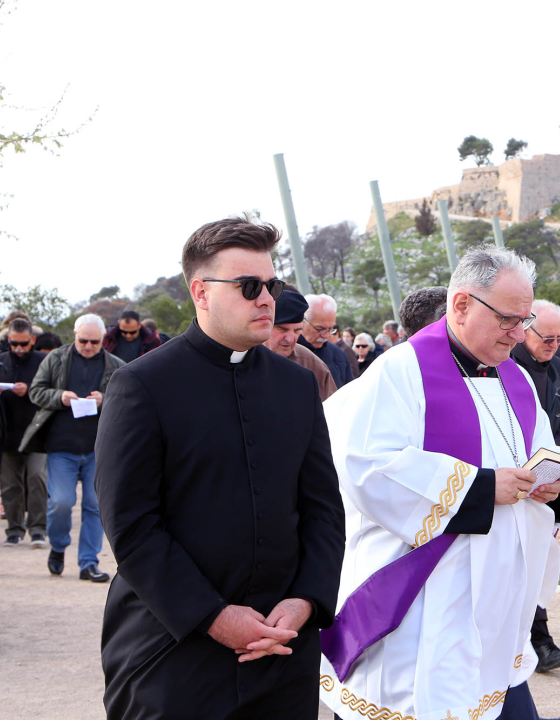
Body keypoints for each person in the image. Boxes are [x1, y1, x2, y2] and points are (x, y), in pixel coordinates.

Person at [320, 244, 560, 720]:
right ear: (461, 304)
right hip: (425, 601)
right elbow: (368, 468)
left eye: (524, 320)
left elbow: (550, 457)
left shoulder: (518, 381)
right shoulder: (401, 372)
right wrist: (483, 488)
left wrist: (557, 493)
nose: (518, 333)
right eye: (509, 319)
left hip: (497, 604)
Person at [96, 218, 345, 719]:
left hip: (282, 647)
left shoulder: (296, 386)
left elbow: (323, 509)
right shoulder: (142, 386)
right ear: (201, 292)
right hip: (172, 645)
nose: (267, 300)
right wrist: (212, 616)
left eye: (271, 285)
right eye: (250, 286)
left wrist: (306, 602)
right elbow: (132, 525)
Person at [21, 314, 125, 581]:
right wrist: (60, 397)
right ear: (74, 335)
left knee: (94, 505)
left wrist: (107, 399)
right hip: (61, 446)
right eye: (83, 340)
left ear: (103, 339)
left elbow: (129, 403)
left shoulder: (116, 366)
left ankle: (88, 563)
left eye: (94, 341)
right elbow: (36, 391)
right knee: (61, 502)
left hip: (99, 449)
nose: (88, 346)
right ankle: (57, 546)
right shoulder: (55, 358)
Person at [510, 299, 560, 674]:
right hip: (514, 478)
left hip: (549, 477)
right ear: (526, 329)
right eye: (547, 338)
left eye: (559, 338)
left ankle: (539, 640)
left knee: (543, 557)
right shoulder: (506, 365)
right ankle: (535, 641)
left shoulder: (555, 366)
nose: (554, 345)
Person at [0, 318, 49, 547]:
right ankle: (14, 529)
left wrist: (31, 391)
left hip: (37, 434)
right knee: (10, 485)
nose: (19, 349)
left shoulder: (45, 362)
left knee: (37, 479)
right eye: (14, 344)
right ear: (8, 340)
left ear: (32, 340)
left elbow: (54, 391)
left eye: (24, 344)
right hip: (6, 433)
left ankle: (39, 529)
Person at [262, 288, 338, 401]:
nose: (290, 339)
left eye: (297, 330)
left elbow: (333, 412)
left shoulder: (314, 366)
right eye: (282, 329)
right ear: (264, 325)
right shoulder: (238, 357)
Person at [299, 294, 354, 387]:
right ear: (302, 321)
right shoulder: (286, 350)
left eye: (330, 329)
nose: (326, 335)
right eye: (319, 328)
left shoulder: (338, 354)